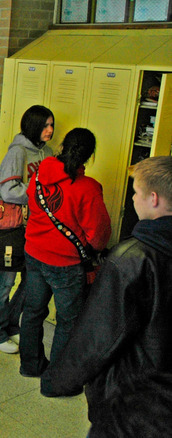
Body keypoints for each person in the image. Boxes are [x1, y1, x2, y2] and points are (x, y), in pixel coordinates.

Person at [43, 156, 172, 422]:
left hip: (131, 399)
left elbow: (98, 336)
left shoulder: (129, 260)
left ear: (154, 199)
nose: (133, 199)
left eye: (136, 192)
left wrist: (58, 380)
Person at [19, 128, 111, 381]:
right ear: (89, 156)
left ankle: (30, 365)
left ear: (62, 146)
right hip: (66, 263)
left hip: (34, 253)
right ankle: (57, 377)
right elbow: (99, 235)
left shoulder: (40, 172)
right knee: (68, 321)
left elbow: (30, 200)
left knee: (33, 311)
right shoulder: (88, 188)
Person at [0, 105, 56, 354]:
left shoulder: (46, 152)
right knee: (6, 280)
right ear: (33, 126)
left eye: (52, 125)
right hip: (15, 226)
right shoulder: (17, 152)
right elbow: (7, 191)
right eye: (45, 125)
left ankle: (10, 325)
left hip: (37, 228)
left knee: (31, 279)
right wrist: (37, 196)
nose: (50, 130)